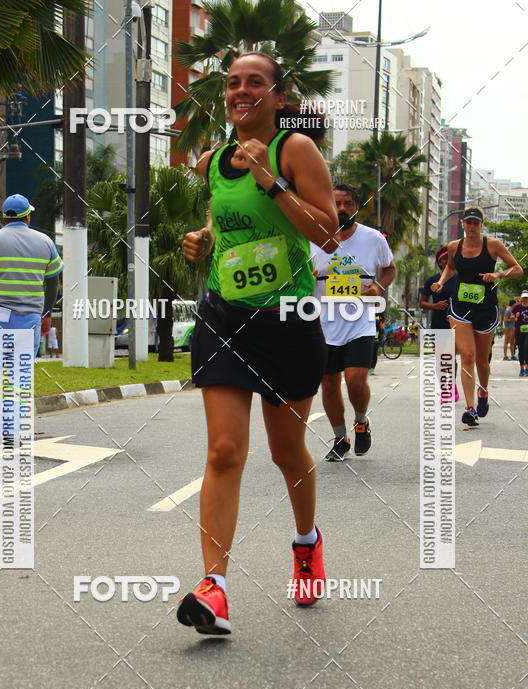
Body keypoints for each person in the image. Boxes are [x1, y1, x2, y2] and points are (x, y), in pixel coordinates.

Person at [177, 52, 339, 634]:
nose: (240, 91)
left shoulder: (293, 152)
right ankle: (214, 588)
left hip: (288, 323)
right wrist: (203, 239)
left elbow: (327, 234)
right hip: (225, 318)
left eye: (254, 83)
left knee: (287, 453)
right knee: (224, 451)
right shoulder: (213, 161)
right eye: (232, 84)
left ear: (277, 96)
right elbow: (229, 226)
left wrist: (272, 184)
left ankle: (306, 542)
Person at [0, 194, 63, 449]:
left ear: (5, 216)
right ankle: (14, 429)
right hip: (30, 318)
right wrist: (47, 314)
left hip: (0, 316)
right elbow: (53, 283)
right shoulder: (45, 242)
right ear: (27, 216)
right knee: (20, 372)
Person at [310, 186, 396, 461]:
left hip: (359, 321)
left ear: (356, 207)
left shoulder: (372, 238)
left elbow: (390, 268)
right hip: (324, 322)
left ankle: (361, 421)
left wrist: (378, 288)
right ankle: (339, 438)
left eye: (348, 203)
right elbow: (296, 271)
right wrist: (306, 276)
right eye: (336, 203)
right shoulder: (312, 238)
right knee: (329, 382)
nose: (342, 209)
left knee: (355, 380)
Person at [431, 207, 523, 427]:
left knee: (482, 361)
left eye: (476, 222)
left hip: (486, 308)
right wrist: (441, 282)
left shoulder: (492, 245)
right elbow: (450, 268)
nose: (472, 226)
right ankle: (470, 408)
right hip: (460, 307)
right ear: (462, 223)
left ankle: (483, 392)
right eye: (468, 222)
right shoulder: (454, 247)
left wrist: (498, 274)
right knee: (467, 356)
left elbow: (517, 268)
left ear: (481, 224)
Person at [419, 245, 460, 402]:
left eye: (449, 258)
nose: (447, 261)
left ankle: (451, 387)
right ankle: (445, 389)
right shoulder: (432, 280)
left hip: (456, 322)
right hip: (438, 322)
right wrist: (434, 306)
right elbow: (422, 303)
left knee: (450, 356)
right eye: (444, 259)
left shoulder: (460, 278)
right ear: (440, 262)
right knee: (439, 358)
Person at [511, 290, 528, 376]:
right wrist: (515, 316)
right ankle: (522, 369)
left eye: (526, 297)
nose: (525, 299)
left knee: (526, 348)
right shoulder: (517, 307)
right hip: (519, 331)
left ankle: (527, 368)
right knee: (521, 350)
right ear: (521, 298)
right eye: (524, 297)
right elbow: (511, 317)